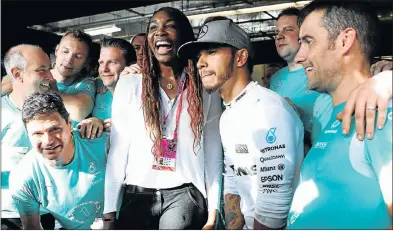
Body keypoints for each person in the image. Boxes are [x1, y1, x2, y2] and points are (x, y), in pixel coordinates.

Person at [178, 17, 304, 230]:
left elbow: (274, 205)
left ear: (240, 57)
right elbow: (233, 177)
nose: (200, 63)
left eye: (212, 52)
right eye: (199, 55)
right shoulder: (229, 114)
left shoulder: (268, 109)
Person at [103, 7, 222, 230]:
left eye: (170, 26)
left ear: (185, 37)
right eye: (154, 28)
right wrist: (109, 213)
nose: (160, 32)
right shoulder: (130, 84)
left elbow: (213, 150)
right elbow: (118, 151)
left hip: (185, 194)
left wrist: (213, 212)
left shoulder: (204, 89)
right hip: (137, 193)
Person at [287, 1, 392, 229]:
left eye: (308, 42)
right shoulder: (339, 115)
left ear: (344, 41)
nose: (299, 57)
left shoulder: (379, 115)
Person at [9, 91, 108, 230]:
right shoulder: (23, 177)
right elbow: (31, 228)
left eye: (54, 129)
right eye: (37, 133)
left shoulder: (102, 143)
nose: (48, 141)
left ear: (69, 123)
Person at [1, 44, 56, 230]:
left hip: (49, 215)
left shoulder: (56, 112)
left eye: (49, 69)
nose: (50, 76)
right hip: (9, 218)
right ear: (17, 74)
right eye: (41, 70)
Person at [1, 29, 96, 124]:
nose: (69, 60)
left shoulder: (85, 83)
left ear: (85, 62)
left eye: (78, 56)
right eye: (65, 52)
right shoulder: (33, 74)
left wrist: (53, 93)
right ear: (57, 50)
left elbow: (79, 110)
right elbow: (7, 84)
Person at [269, 7, 322, 147]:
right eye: (277, 32)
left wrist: (293, 119)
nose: (279, 36)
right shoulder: (275, 79)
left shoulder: (321, 73)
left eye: (288, 29)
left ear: (304, 34)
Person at [78, 38, 136, 139]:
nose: (104, 69)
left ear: (130, 65)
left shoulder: (144, 94)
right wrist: (93, 121)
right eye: (101, 63)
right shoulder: (94, 87)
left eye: (112, 62)